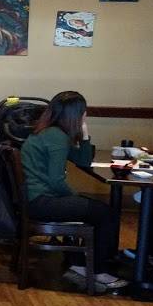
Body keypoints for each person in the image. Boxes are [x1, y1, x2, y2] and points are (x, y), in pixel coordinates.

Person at [19, 91, 127, 290]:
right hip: (42, 201)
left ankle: (79, 264)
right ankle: (98, 270)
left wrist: (84, 134)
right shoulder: (56, 136)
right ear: (75, 114)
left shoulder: (49, 132)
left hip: (34, 198)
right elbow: (56, 182)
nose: (85, 114)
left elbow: (83, 161)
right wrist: (76, 197)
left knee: (95, 209)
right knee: (106, 213)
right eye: (83, 112)